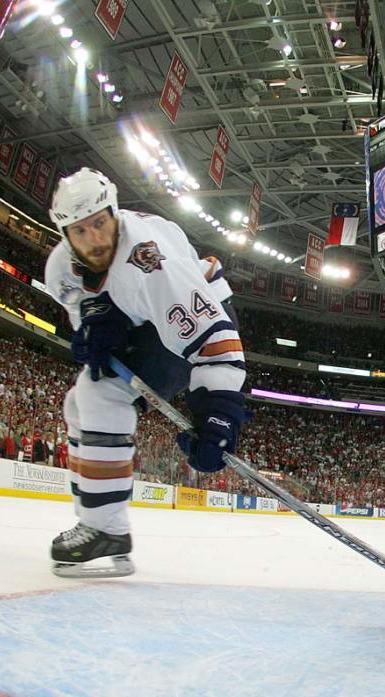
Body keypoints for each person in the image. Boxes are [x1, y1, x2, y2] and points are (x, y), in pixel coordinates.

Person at [44, 168, 247, 578]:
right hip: (144, 320)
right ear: (65, 234)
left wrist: (219, 414)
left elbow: (216, 341)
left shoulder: (148, 264)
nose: (95, 239)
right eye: (80, 231)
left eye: (100, 223)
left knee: (101, 393)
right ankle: (98, 522)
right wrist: (94, 332)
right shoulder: (61, 270)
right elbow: (84, 315)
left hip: (205, 309)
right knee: (80, 402)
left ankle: (106, 529)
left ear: (114, 213)